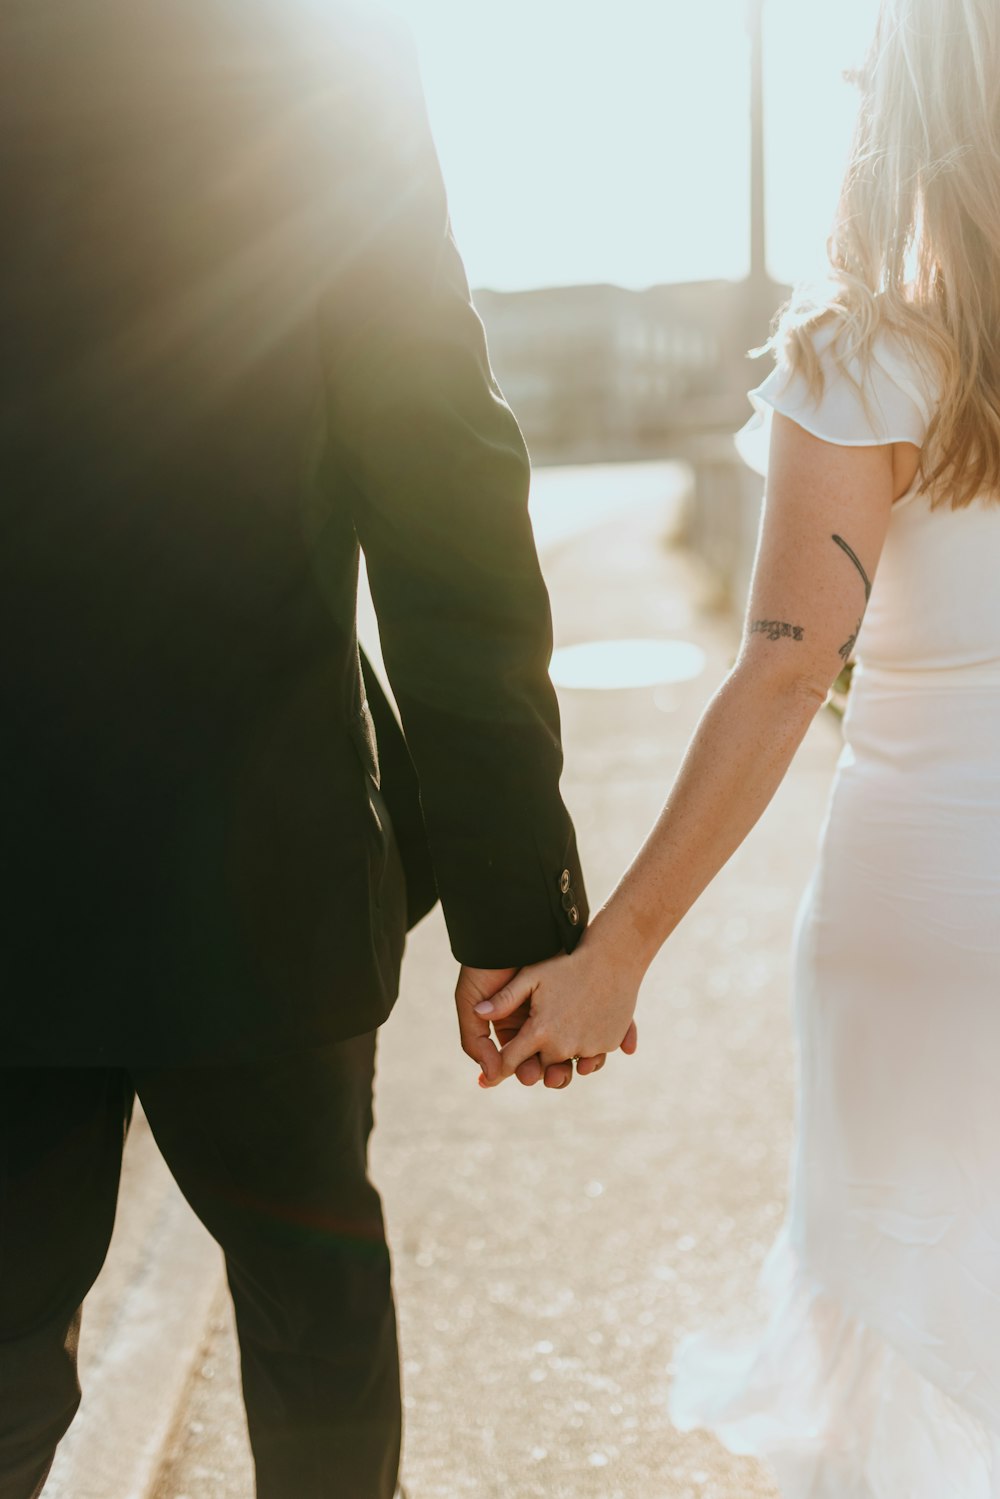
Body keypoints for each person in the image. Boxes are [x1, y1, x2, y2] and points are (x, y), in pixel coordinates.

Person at [0, 4, 636, 1497]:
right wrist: (514, 910)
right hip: (257, 849)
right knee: (315, 1319)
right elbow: (440, 484)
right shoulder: (297, 57)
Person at [477, 0, 1000, 1490]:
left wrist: (616, 952)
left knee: (906, 1340)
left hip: (923, 922)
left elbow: (784, 674)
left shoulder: (860, 356)